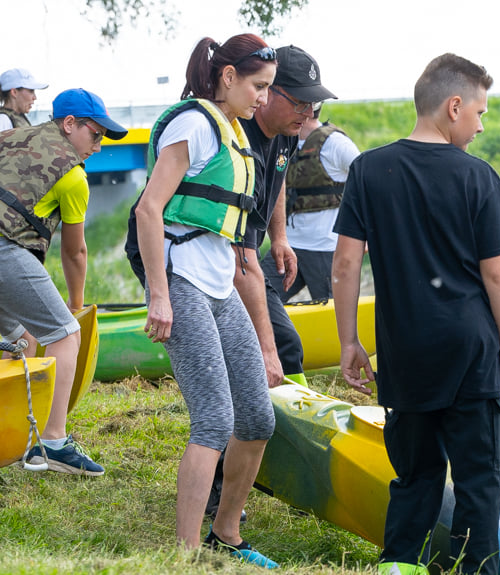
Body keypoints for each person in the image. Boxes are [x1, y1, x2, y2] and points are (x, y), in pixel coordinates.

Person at [333, 53, 500, 575]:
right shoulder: (477, 177)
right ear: (453, 106)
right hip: (470, 349)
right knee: (478, 480)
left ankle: (400, 566)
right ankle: (474, 569)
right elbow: (499, 276)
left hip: (404, 349)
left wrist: (349, 341)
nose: (481, 125)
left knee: (414, 474)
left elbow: (346, 264)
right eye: (480, 113)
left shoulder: (368, 169)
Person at [133, 33, 279, 567]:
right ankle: (186, 553)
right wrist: (159, 295)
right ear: (227, 77)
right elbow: (150, 211)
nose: (264, 97)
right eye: (258, 86)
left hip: (220, 284)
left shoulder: (234, 130)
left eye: (268, 88)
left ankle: (227, 533)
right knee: (214, 420)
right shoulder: (194, 123)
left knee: (258, 419)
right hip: (184, 282)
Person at [205, 43, 339, 520]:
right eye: (299, 102)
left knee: (287, 348)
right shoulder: (235, 138)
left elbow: (277, 179)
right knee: (238, 371)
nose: (308, 113)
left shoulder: (284, 132)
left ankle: (297, 448)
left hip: (244, 255)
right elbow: (239, 261)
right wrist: (261, 345)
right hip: (202, 263)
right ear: (267, 93)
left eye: (313, 105)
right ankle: (219, 493)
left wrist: (278, 235)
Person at [0, 88, 127, 475]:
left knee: (20, 338)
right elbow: (75, 253)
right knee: (64, 336)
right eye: (96, 134)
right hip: (4, 249)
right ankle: (52, 443)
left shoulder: (8, 136)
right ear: (69, 125)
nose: (100, 146)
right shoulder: (71, 176)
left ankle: (10, 432)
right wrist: (75, 305)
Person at [263, 102, 359, 302]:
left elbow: (369, 183)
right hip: (289, 246)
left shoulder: (336, 144)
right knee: (258, 299)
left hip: (326, 249)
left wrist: (364, 232)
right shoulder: (280, 142)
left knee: (335, 314)